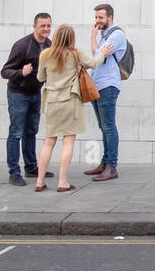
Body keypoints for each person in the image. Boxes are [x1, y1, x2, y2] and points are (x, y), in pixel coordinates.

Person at [35, 25, 112, 191]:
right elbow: (93, 64)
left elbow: (40, 77)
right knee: (68, 142)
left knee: (49, 142)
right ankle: (62, 182)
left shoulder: (45, 54)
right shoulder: (75, 54)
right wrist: (103, 53)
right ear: (71, 38)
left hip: (53, 102)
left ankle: (39, 181)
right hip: (71, 101)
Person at [0, 13, 52, 185]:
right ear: (34, 26)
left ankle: (31, 168)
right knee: (16, 132)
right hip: (18, 95)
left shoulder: (48, 44)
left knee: (31, 131)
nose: (46, 29)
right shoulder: (22, 45)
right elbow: (5, 71)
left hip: (36, 94)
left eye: (48, 26)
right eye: (42, 26)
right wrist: (20, 72)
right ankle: (14, 172)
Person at [87, 3, 127, 181]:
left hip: (108, 86)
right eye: (96, 18)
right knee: (103, 126)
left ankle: (112, 166)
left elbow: (97, 56)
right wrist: (95, 37)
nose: (97, 21)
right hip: (97, 85)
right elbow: (97, 54)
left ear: (110, 17)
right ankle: (105, 162)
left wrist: (92, 37)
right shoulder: (104, 36)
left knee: (109, 126)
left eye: (100, 18)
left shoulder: (116, 35)